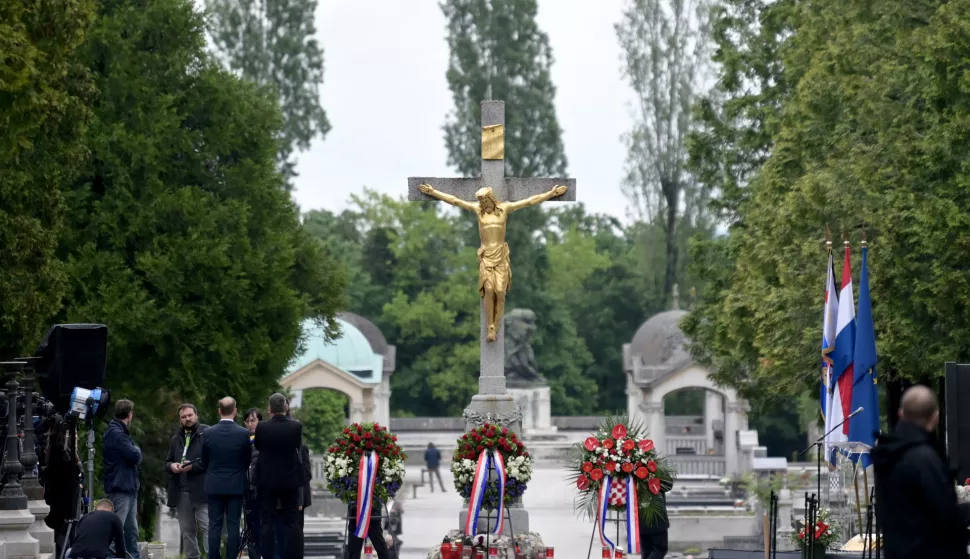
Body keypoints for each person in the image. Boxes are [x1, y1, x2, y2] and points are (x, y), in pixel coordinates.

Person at [872, 385, 970, 558]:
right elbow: (945, 514)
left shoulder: (887, 456)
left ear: (901, 414)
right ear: (935, 417)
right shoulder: (925, 458)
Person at [253, 393, 303, 559]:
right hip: (290, 479)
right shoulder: (296, 427)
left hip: (267, 479)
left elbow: (258, 446)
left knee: (267, 521)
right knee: (292, 521)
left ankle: (267, 556)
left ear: (269, 410)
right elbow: (297, 445)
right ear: (286, 407)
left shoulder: (262, 427)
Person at [202, 397, 253, 559]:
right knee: (233, 525)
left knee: (214, 525)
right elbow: (247, 460)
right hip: (236, 485)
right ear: (235, 411)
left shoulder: (208, 433)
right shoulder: (243, 433)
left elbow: (204, 460)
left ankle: (214, 557)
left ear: (219, 411)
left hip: (214, 484)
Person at [163, 403, 209, 559]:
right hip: (182, 491)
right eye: (183, 417)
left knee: (207, 527)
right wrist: (172, 466)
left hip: (202, 490)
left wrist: (192, 466)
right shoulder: (176, 438)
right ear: (180, 420)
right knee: (187, 531)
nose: (187, 419)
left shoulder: (207, 433)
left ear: (196, 415)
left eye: (190, 415)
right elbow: (167, 462)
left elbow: (211, 460)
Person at [102, 399, 142, 559]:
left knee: (131, 529)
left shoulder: (119, 432)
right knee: (117, 528)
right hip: (121, 487)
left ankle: (133, 556)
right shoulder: (117, 434)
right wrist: (137, 450)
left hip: (128, 487)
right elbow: (134, 455)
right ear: (130, 414)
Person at [243, 408, 262, 559]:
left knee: (262, 526)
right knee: (250, 528)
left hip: (261, 490)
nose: (250, 424)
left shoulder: (264, 440)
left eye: (253, 420)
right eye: (248, 421)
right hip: (246, 490)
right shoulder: (242, 440)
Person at [638, 477, 674, 559]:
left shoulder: (633, 469)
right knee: (660, 548)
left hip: (641, 515)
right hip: (656, 516)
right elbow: (668, 485)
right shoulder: (657, 469)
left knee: (647, 552)